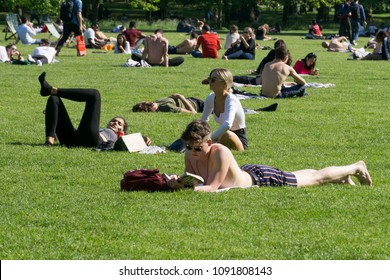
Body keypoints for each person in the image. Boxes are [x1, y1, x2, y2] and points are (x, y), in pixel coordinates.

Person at [166, 120, 372, 192]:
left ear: (209, 143)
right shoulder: (190, 154)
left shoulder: (221, 152)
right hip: (249, 172)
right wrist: (178, 182)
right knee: (304, 176)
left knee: (315, 178)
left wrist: (189, 189)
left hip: (262, 178)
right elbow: (193, 181)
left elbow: (211, 187)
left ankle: (355, 167)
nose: (193, 152)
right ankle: (341, 177)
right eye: (189, 147)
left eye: (197, 148)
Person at [37, 72, 151, 147]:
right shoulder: (100, 128)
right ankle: (49, 142)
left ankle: (51, 89)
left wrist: (144, 138)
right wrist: (54, 117)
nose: (115, 123)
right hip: (73, 139)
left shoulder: (120, 136)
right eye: (114, 121)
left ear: (123, 129)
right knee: (54, 100)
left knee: (94, 94)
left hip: (92, 140)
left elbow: (132, 139)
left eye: (119, 123)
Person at [201, 68, 247, 151]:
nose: (210, 82)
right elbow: (203, 121)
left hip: (238, 138)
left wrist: (209, 139)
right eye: (210, 79)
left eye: (214, 80)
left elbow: (227, 125)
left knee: (227, 134)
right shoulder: (210, 98)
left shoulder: (231, 100)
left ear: (224, 83)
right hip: (221, 136)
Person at [132, 94, 204, 114]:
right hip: (198, 105)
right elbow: (193, 112)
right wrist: (181, 97)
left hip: (192, 100)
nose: (151, 103)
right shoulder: (167, 107)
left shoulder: (157, 102)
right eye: (149, 105)